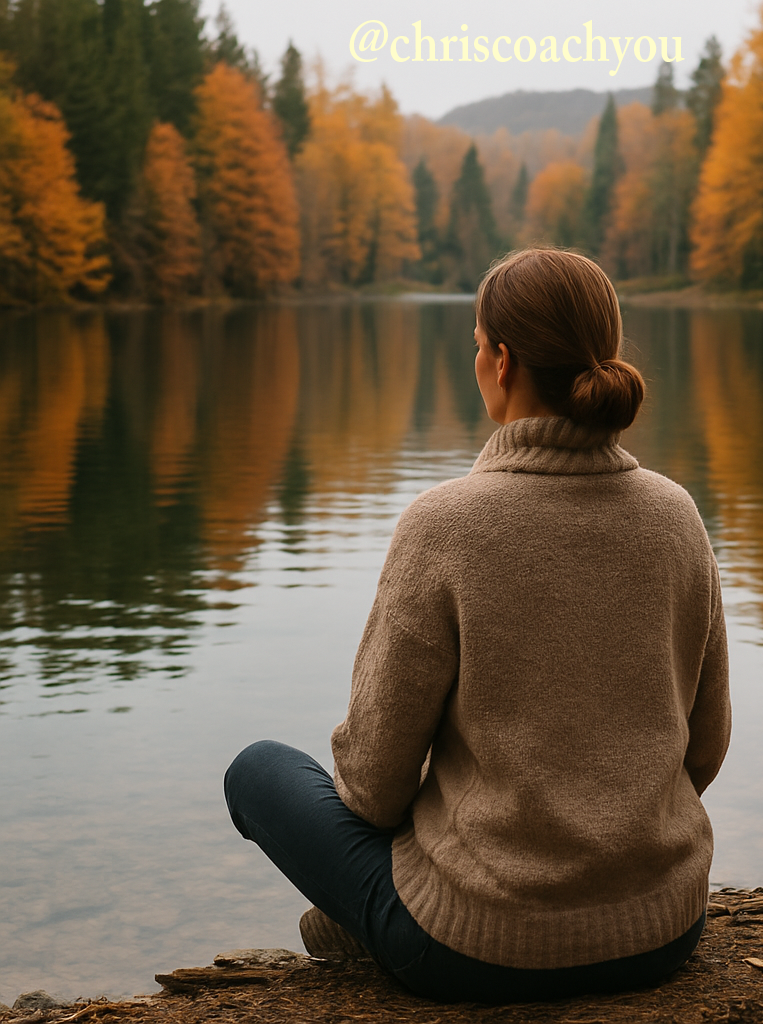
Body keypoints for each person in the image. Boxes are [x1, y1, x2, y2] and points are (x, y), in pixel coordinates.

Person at [224, 247, 731, 1004]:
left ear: (501, 359)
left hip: (475, 950)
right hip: (661, 931)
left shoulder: (445, 525)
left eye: (474, 345)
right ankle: (361, 917)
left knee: (257, 772)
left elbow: (371, 787)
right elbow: (706, 747)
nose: (477, 360)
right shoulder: (676, 516)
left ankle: (360, 920)